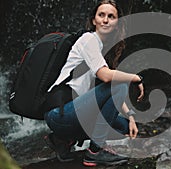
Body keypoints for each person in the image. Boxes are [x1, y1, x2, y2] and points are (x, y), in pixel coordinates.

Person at [43, 0, 144, 166]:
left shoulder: (102, 50)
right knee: (121, 83)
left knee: (124, 128)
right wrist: (136, 78)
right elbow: (107, 77)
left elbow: (110, 91)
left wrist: (131, 115)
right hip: (60, 113)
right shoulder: (88, 40)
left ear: (117, 24)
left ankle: (62, 139)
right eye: (101, 15)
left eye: (111, 16)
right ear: (93, 20)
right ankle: (95, 151)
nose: (105, 20)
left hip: (74, 113)